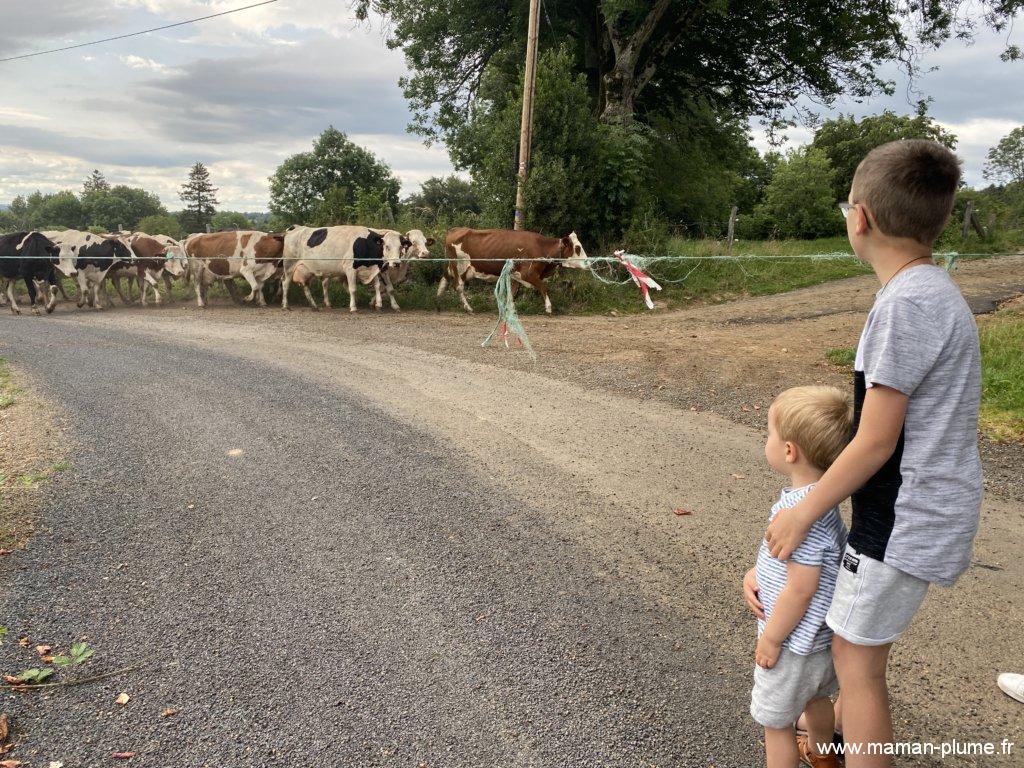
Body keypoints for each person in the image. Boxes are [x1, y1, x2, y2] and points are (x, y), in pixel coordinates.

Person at [764, 139, 981, 767]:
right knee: (854, 651)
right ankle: (830, 745)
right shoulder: (930, 290)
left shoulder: (906, 305)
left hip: (903, 518)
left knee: (854, 662)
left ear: (861, 218)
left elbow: (878, 438)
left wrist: (805, 513)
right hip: (921, 509)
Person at [745, 385, 853, 768]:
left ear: (789, 451)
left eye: (770, 433)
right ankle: (823, 755)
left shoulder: (798, 516)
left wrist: (772, 639)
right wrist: (756, 571)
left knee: (776, 725)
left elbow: (801, 588)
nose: (767, 440)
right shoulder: (822, 502)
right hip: (821, 641)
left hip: (793, 644)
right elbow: (794, 566)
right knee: (817, 700)